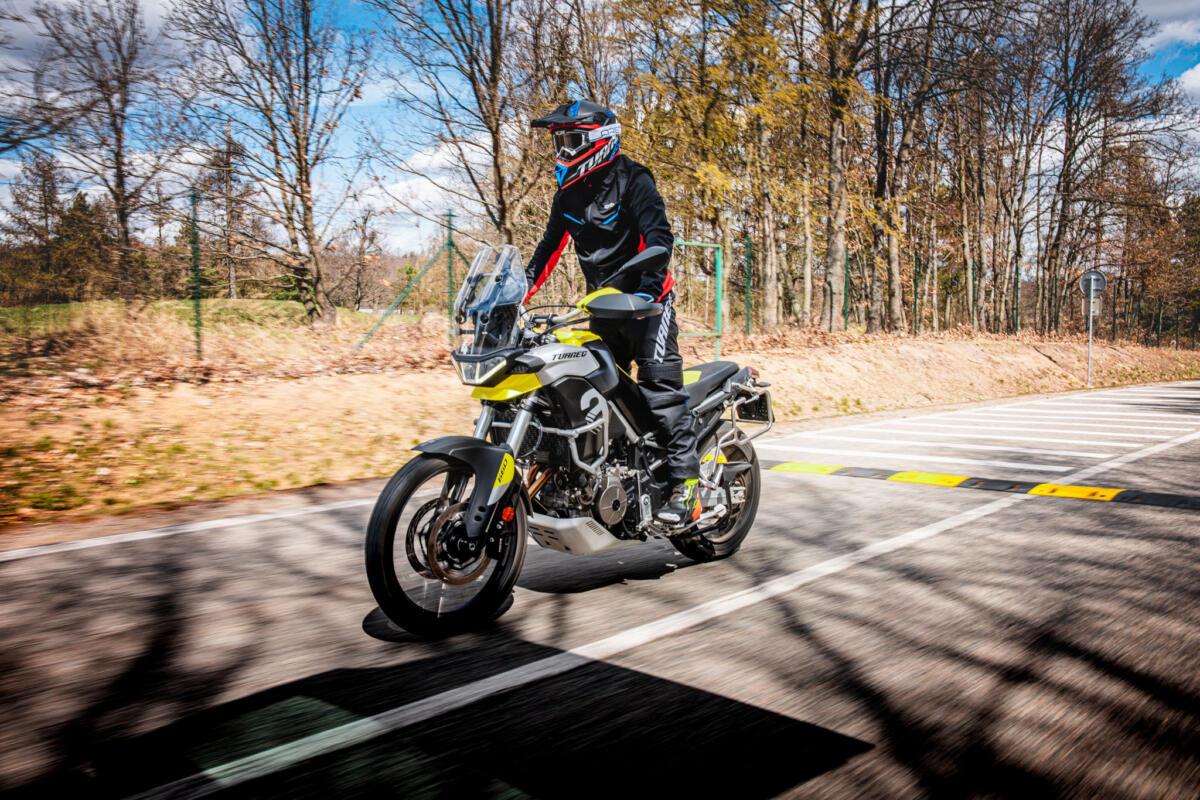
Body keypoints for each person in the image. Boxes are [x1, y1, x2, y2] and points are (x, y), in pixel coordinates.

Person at [524, 99, 700, 526]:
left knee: (659, 393)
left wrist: (643, 291)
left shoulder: (634, 179)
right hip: (603, 306)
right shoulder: (567, 194)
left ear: (599, 140)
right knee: (594, 396)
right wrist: (517, 295)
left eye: (570, 141)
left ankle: (686, 486)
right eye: (558, 143)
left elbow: (659, 241)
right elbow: (548, 250)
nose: (562, 151)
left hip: (648, 305)